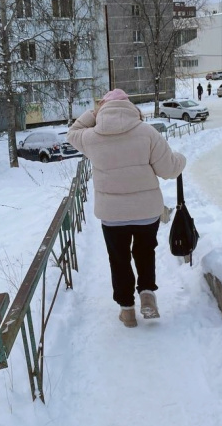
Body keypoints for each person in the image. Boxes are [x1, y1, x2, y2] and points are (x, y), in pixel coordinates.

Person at [67, 89, 186, 328]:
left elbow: (72, 133)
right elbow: (170, 170)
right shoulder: (147, 133)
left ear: (102, 109)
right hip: (146, 212)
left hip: (112, 215)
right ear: (130, 108)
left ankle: (127, 310)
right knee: (145, 252)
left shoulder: (92, 137)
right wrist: (180, 158)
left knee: (118, 259)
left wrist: (94, 113)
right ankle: (147, 295)